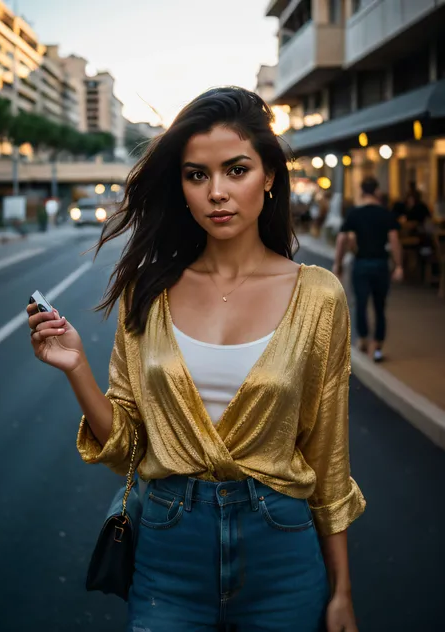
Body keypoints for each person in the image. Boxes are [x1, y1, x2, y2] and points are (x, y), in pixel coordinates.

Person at [27, 87, 365, 632]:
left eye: (236, 170)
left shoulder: (319, 295)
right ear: (181, 186)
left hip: (282, 552)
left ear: (270, 176)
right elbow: (128, 447)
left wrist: (342, 590)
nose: (217, 193)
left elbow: (328, 454)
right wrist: (77, 368)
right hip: (168, 556)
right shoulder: (150, 291)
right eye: (197, 175)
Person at [333, 176, 403, 362]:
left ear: (362, 192)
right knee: (380, 306)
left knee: (361, 303)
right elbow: (394, 240)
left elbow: (342, 239)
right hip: (381, 264)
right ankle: (378, 346)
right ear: (377, 192)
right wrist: (399, 265)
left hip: (361, 264)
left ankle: (363, 339)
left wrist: (337, 263)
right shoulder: (386, 214)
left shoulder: (355, 213)